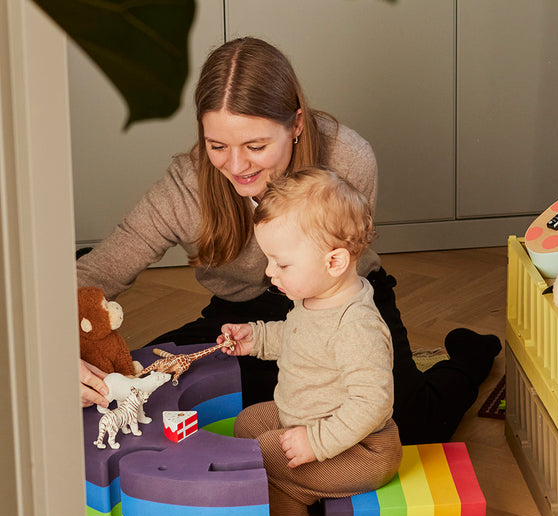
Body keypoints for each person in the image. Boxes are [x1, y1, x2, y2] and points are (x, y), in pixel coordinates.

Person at [76, 36, 501, 444]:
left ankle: (469, 358)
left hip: (338, 300)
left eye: (256, 145)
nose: (236, 165)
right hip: (243, 313)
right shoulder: (186, 186)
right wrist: (58, 351)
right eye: (217, 145)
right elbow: (96, 272)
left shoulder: (347, 157)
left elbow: (337, 275)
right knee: (150, 388)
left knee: (405, 425)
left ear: (296, 124)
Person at [217, 168, 402, 516]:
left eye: (281, 264)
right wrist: (258, 338)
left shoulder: (357, 326)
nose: (270, 272)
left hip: (363, 449)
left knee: (267, 455)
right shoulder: (317, 297)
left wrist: (317, 441)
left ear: (334, 261)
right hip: (306, 418)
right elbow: (299, 338)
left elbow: (373, 403)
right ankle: (297, 494)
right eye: (268, 260)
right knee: (248, 424)